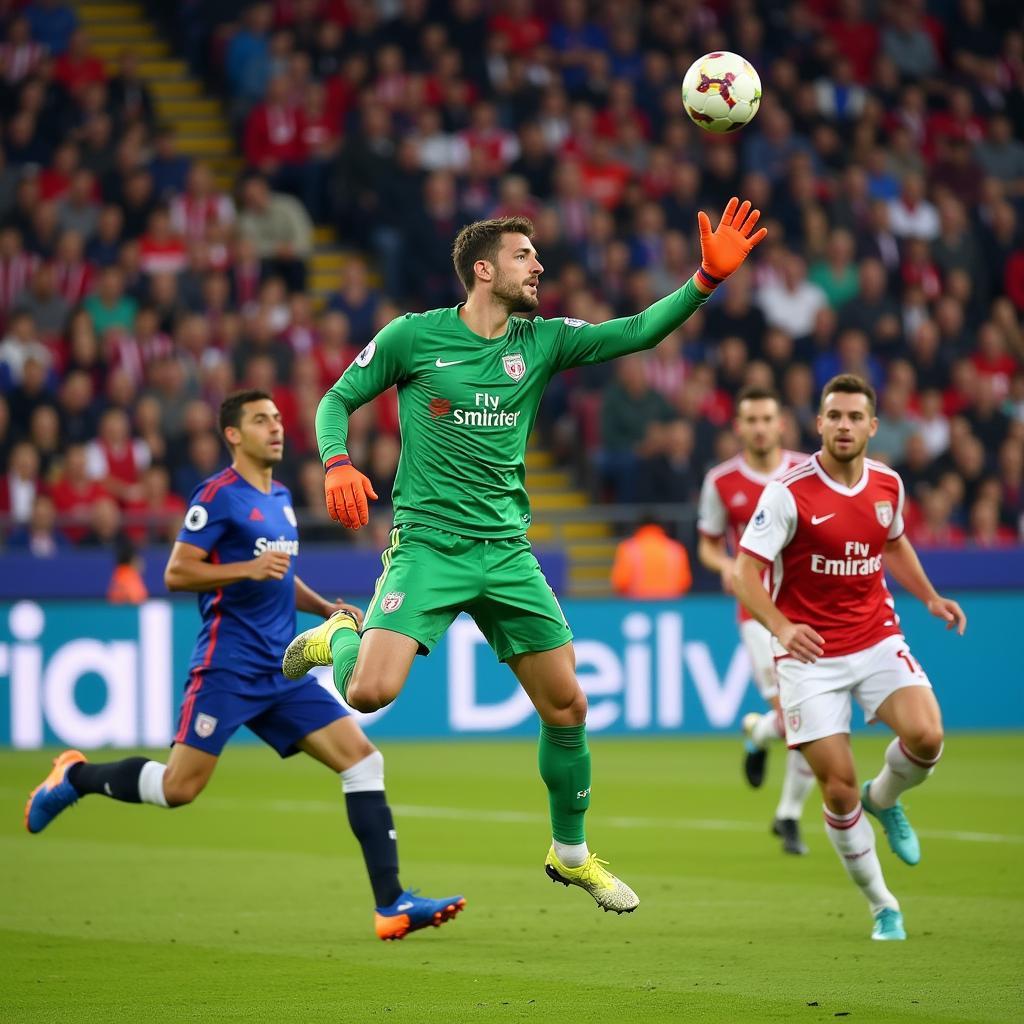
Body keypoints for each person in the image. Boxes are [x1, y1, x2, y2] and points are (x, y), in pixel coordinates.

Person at [282, 198, 767, 914]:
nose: (539, 265)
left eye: (536, 256)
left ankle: (570, 855)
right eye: (522, 256)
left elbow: (634, 332)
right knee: (368, 696)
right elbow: (335, 399)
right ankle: (340, 635)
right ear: (483, 269)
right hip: (429, 547)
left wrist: (704, 280)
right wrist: (336, 461)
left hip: (507, 551)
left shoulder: (541, 341)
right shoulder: (414, 338)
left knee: (568, 704)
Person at [25, 390, 464, 942]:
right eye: (261, 420)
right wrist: (245, 567)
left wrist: (324, 606)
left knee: (363, 761)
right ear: (233, 434)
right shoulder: (218, 496)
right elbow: (177, 573)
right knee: (179, 788)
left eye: (278, 418)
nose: (275, 428)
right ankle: (76, 776)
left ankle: (391, 903)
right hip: (227, 666)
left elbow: (278, 574)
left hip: (282, 667)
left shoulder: (280, 495)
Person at [732, 374, 966, 942]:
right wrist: (783, 626)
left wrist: (930, 596)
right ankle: (883, 905)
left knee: (928, 738)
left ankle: (883, 801)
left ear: (872, 426)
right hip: (810, 657)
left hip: (876, 636)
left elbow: (893, 541)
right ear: (819, 423)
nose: (843, 426)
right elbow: (744, 575)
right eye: (834, 415)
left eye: (854, 417)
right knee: (836, 787)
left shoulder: (888, 484)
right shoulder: (788, 492)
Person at [696, 386, 814, 855]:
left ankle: (784, 807)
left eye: (768, 418)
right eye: (752, 420)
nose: (761, 427)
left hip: (808, 606)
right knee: (795, 716)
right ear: (739, 427)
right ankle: (765, 738)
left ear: (781, 423)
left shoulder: (808, 471)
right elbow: (706, 543)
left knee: (806, 716)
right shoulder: (722, 481)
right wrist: (726, 566)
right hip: (757, 611)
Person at [610, 518, 692, 598]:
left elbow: (620, 581)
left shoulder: (628, 548)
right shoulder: (676, 549)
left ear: (637, 527)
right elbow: (684, 581)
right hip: (670, 605)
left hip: (636, 605)